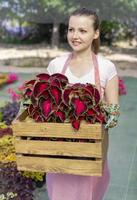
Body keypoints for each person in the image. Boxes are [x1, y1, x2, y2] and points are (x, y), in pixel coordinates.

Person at [46, 7, 120, 200]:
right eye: (71, 30)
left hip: (89, 152)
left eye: (82, 31)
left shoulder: (106, 67)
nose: (75, 36)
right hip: (59, 152)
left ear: (96, 34)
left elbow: (113, 117)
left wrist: (94, 113)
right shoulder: (56, 65)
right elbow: (44, 105)